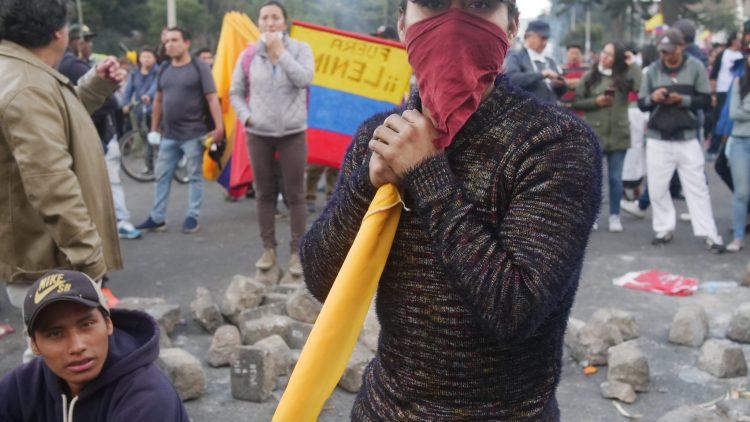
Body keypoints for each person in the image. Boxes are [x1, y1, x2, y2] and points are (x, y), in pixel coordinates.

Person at [301, 0, 601, 419]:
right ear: (403, 24)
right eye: (434, 4)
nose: (455, 25)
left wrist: (426, 173)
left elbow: (515, 309)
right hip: (386, 408)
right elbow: (322, 281)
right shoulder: (378, 136)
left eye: (479, 5)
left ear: (511, 27)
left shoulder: (555, 144)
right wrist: (365, 185)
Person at [0, 0, 123, 309]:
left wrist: (95, 86)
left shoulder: (23, 73)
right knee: (63, 352)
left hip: (48, 256)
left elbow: (53, 125)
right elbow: (51, 184)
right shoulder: (27, 86)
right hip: (53, 263)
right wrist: (89, 259)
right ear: (59, 32)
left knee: (53, 352)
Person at [0, 270, 190, 421]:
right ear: (34, 345)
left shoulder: (148, 397)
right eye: (55, 334)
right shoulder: (24, 386)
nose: (77, 346)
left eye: (86, 325)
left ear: (108, 323)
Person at [229, 0, 314, 275]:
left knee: (296, 195)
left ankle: (296, 253)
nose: (269, 23)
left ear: (284, 22)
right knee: (264, 194)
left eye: (275, 17)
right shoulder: (248, 55)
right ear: (259, 23)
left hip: (293, 132)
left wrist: (280, 53)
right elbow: (235, 92)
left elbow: (304, 79)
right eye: (264, 18)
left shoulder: (301, 49)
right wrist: (247, 117)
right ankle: (268, 250)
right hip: (258, 133)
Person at [638, 28, 724, 253]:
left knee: (697, 187)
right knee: (657, 188)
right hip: (658, 138)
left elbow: (705, 100)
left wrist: (682, 99)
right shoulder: (653, 70)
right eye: (663, 52)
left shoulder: (695, 66)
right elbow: (641, 102)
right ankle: (664, 228)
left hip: (687, 137)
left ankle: (709, 233)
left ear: (680, 47)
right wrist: (653, 98)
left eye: (670, 51)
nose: (666, 56)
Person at [58, 24, 142, 241]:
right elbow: (109, 102)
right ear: (72, 40)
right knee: (104, 185)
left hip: (82, 138)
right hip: (92, 137)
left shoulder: (61, 64)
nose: (89, 44)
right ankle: (120, 221)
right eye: (85, 40)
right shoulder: (71, 64)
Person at [136, 27, 223, 234]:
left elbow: (212, 98)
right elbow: (158, 100)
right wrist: (154, 129)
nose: (170, 45)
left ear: (187, 43)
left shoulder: (199, 66)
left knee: (194, 176)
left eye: (174, 40)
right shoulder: (164, 68)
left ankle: (192, 216)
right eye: (167, 41)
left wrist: (219, 127)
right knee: (161, 176)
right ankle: (157, 217)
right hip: (169, 134)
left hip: (194, 134)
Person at [572, 41, 641, 233]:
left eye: (610, 54)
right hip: (596, 134)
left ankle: (614, 216)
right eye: (604, 52)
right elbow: (576, 101)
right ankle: (592, 217)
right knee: (594, 178)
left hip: (619, 135)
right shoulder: (590, 77)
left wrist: (632, 64)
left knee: (616, 178)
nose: (605, 56)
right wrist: (596, 101)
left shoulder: (625, 77)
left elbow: (640, 87)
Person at [504, 19, 567, 104]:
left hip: (551, 112)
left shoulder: (550, 61)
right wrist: (541, 74)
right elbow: (511, 80)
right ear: (528, 35)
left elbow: (560, 93)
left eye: (547, 39)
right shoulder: (516, 57)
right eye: (542, 38)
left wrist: (561, 85)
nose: (545, 42)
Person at [122, 47, 159, 175]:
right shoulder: (134, 73)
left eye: (149, 56)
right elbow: (128, 90)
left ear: (155, 59)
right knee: (145, 137)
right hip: (139, 109)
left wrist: (149, 95)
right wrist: (125, 104)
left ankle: (154, 163)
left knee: (155, 136)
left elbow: (156, 85)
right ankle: (150, 166)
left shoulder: (158, 72)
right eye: (144, 56)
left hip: (155, 109)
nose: (146, 59)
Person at [726, 54, 750, 252]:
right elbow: (734, 113)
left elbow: (741, 112)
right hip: (740, 142)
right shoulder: (739, 82)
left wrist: (746, 109)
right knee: (741, 192)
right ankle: (738, 237)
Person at [708, 31, 743, 159]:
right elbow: (714, 75)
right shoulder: (723, 54)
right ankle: (713, 148)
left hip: (737, 92)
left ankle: (727, 151)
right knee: (719, 120)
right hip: (722, 91)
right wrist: (713, 93)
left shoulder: (742, 55)